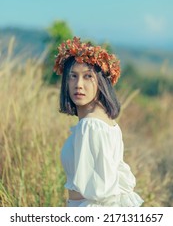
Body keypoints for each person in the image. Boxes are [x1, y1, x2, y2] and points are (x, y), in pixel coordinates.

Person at [53, 36, 144, 207]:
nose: (78, 84)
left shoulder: (91, 125)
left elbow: (102, 195)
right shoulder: (107, 122)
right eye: (73, 76)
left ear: (101, 82)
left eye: (88, 76)